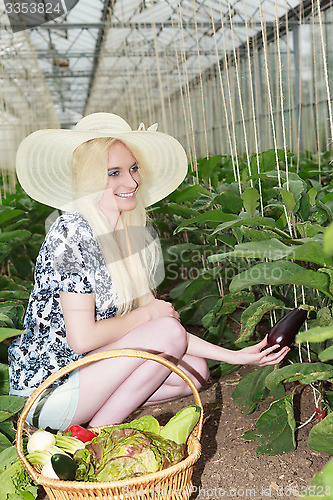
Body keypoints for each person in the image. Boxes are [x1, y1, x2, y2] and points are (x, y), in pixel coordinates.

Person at [8, 113, 289, 431]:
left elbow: (163, 326)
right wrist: (147, 316)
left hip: (83, 376)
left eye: (132, 168)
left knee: (194, 371)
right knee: (167, 334)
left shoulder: (123, 235)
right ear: (89, 178)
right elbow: (83, 338)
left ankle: (95, 418)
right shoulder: (72, 233)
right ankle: (97, 435)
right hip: (46, 390)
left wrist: (236, 356)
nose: (130, 182)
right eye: (113, 173)